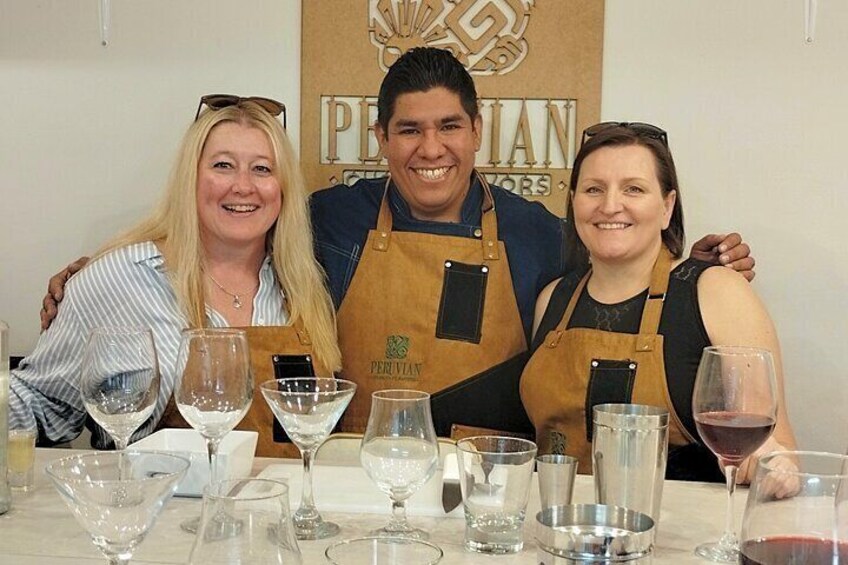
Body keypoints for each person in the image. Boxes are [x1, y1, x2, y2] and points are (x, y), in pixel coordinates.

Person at [40, 49, 753, 440]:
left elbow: (619, 278)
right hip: (348, 480)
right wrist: (106, 274)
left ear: (477, 131)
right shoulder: (326, 219)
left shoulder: (541, 231)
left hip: (483, 495)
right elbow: (230, 226)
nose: (430, 148)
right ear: (381, 138)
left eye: (449, 126)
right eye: (409, 129)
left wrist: (700, 268)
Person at [13, 95, 341, 456]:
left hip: (279, 506)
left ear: (283, 189)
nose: (243, 186)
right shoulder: (120, 278)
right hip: (157, 507)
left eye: (262, 169)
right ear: (191, 178)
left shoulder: (303, 286)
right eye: (223, 165)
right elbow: (39, 401)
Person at [519, 122, 796, 483]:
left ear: (667, 207)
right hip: (559, 526)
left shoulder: (717, 292)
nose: (610, 205)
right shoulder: (552, 300)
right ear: (574, 203)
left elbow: (782, 453)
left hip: (681, 534)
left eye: (633, 189)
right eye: (593, 189)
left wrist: (770, 465)